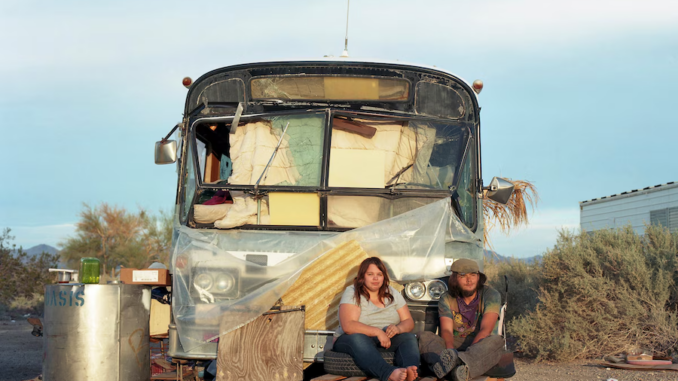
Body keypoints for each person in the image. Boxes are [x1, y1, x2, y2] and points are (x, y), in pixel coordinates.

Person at [419, 258, 512, 381]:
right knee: (425, 337)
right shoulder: (446, 298)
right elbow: (446, 331)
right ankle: (453, 369)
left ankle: (457, 367)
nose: (469, 280)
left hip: (480, 346)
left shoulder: (491, 295)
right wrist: (451, 352)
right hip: (453, 344)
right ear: (454, 279)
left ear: (478, 277)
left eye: (473, 275)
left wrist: (465, 356)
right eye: (463, 276)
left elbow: (486, 330)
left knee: (496, 341)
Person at [333, 257, 420, 381]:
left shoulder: (392, 292)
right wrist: (378, 332)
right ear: (362, 277)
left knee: (408, 337)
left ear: (384, 277)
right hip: (352, 340)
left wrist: (398, 328)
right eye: (370, 274)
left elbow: (408, 321)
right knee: (358, 338)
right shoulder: (352, 292)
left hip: (385, 340)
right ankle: (389, 373)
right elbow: (348, 326)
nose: (375, 278)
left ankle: (409, 371)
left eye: (379, 274)